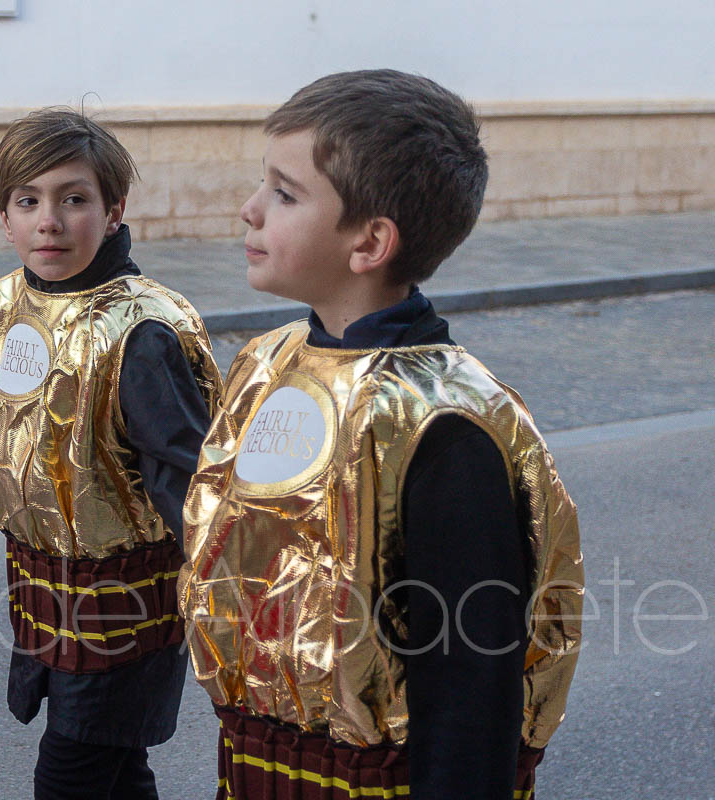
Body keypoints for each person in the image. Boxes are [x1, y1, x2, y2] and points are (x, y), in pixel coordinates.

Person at [178, 69, 584, 800]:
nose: (250, 209)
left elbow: (471, 681)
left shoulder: (446, 427)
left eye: (284, 193)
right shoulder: (267, 364)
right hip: (260, 764)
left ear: (370, 242)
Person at [0, 108, 223, 799]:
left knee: (70, 774)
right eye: (28, 201)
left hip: (124, 602)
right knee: (116, 768)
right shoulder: (9, 303)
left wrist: (228, 579)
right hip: (44, 585)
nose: (50, 222)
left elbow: (185, 472)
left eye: (74, 199)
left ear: (114, 211)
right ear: (5, 218)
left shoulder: (139, 333)